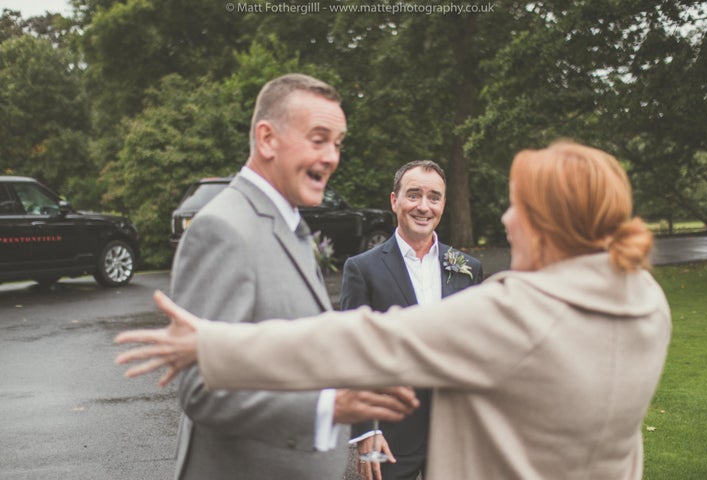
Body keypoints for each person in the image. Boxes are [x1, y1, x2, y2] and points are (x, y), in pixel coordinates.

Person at [116, 141, 671, 480]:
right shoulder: (646, 303)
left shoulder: (523, 311)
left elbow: (369, 340)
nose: (504, 219)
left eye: (516, 206)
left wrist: (213, 345)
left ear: (550, 222)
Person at [161, 73, 418, 480]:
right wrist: (330, 408)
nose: (332, 156)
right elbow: (202, 388)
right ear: (267, 139)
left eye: (337, 143)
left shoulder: (287, 223)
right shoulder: (223, 230)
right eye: (318, 139)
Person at [341, 160, 482, 480]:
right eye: (413, 195)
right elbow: (353, 352)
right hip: (390, 436)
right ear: (395, 201)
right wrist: (365, 433)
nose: (423, 206)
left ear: (443, 204)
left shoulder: (467, 268)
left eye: (434, 197)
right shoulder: (362, 269)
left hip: (454, 433)